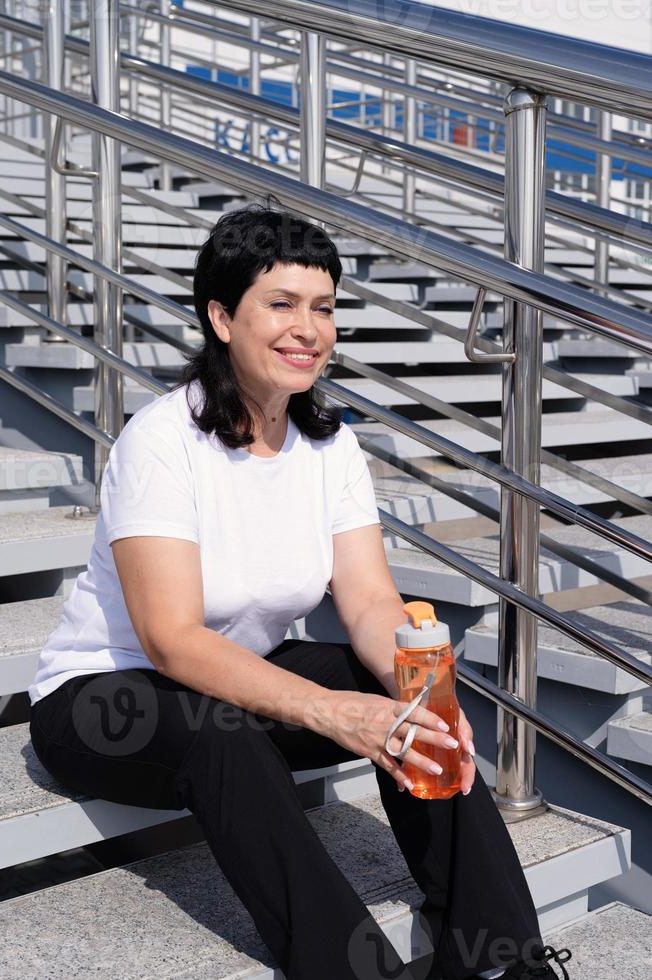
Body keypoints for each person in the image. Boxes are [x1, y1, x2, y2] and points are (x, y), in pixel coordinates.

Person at [28, 205, 572, 980]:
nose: (307, 329)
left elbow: (370, 603)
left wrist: (424, 696)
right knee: (219, 732)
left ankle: (501, 964)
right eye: (280, 305)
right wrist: (337, 712)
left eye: (323, 308)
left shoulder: (330, 444)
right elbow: (170, 638)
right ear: (221, 316)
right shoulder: (161, 441)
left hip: (237, 684)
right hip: (105, 700)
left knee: (423, 716)